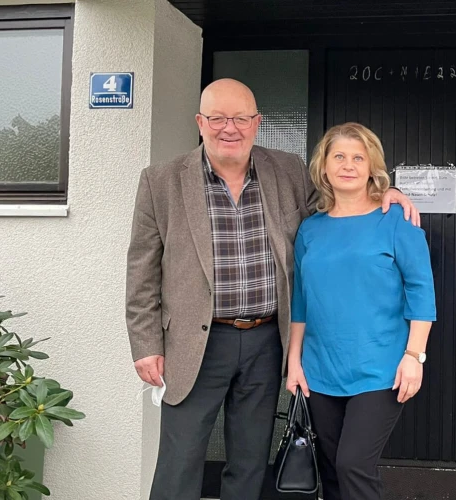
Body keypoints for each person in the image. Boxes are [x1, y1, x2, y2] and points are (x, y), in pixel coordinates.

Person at [125, 79, 419, 500]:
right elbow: (142, 269)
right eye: (218, 118)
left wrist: (385, 190)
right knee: (180, 460)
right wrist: (145, 344)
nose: (230, 128)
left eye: (241, 118)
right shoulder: (162, 181)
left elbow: (342, 200)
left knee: (250, 461)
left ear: (257, 122)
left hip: (266, 341)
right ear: (200, 122)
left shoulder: (287, 170)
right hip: (194, 342)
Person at [285, 122, 436, 500]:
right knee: (332, 470)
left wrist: (414, 356)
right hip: (320, 370)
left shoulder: (396, 221)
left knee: (353, 464)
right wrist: (294, 361)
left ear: (372, 168)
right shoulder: (310, 230)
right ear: (324, 167)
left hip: (380, 369)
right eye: (338, 156)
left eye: (358, 157)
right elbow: (300, 300)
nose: (348, 165)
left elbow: (421, 291)